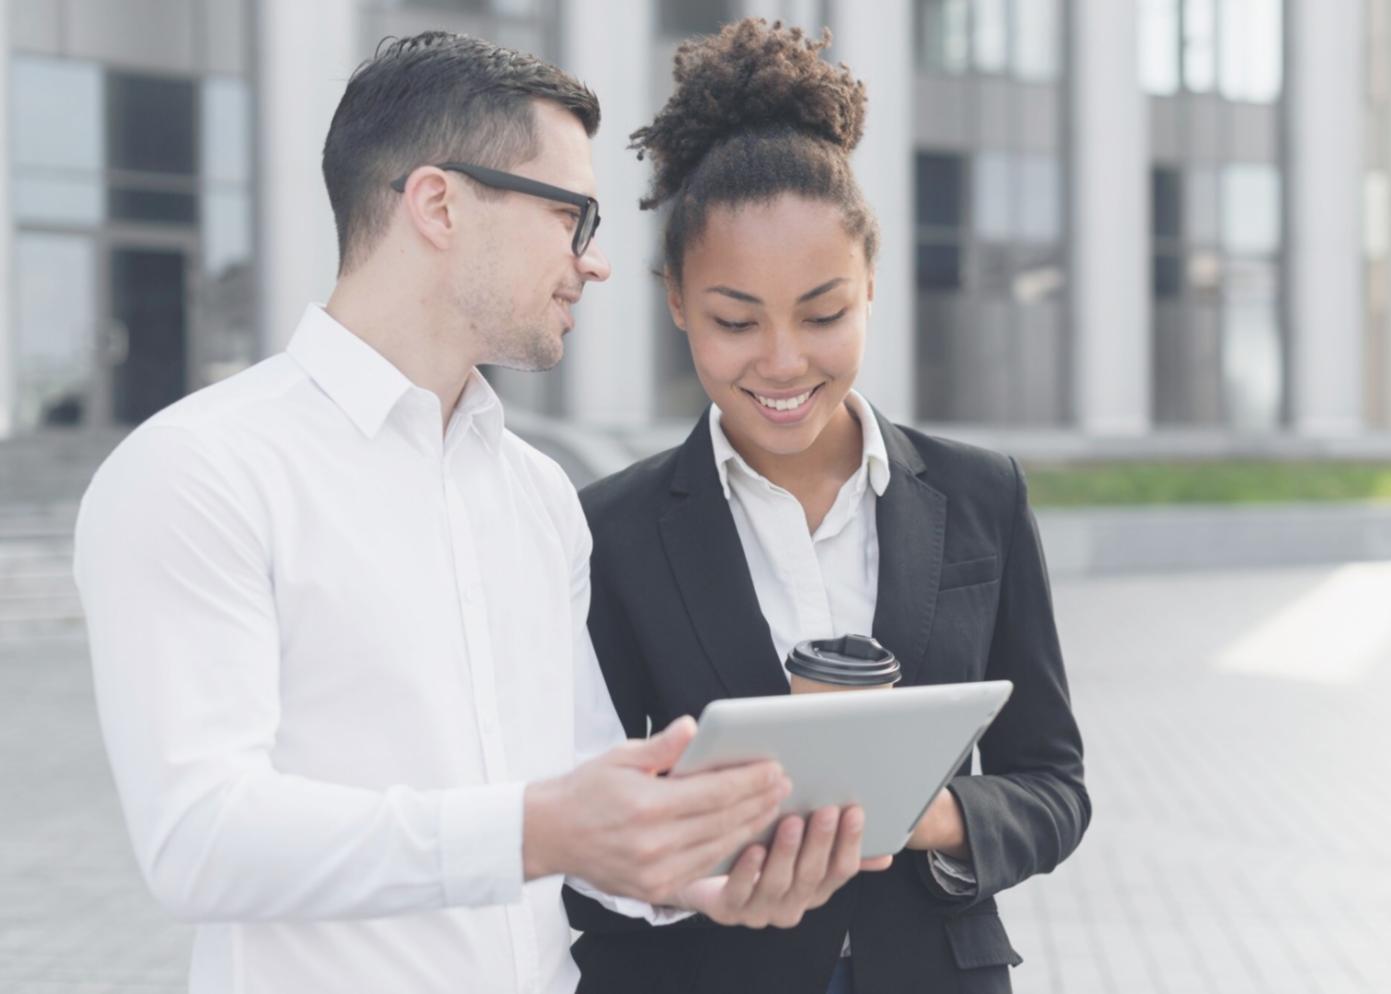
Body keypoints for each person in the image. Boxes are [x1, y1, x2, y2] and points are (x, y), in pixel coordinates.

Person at [73, 31, 882, 994]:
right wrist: (532, 828)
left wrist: (706, 870)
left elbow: (581, 791)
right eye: (572, 217)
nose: (595, 263)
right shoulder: (199, 471)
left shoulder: (537, 494)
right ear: (439, 203)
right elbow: (199, 840)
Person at [564, 20, 1091, 994]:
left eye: (822, 313)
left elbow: (1054, 786)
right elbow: (584, 834)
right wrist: (706, 861)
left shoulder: (981, 497)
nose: (781, 362)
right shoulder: (609, 532)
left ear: (871, 288)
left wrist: (930, 815)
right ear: (675, 300)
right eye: (733, 319)